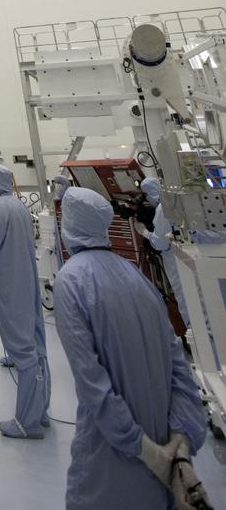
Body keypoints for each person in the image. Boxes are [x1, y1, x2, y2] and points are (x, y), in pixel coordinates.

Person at [54, 187, 208, 510]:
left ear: (67, 227)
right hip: (163, 476)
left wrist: (149, 453)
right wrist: (178, 454)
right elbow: (180, 372)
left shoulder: (71, 282)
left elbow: (94, 386)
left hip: (111, 468)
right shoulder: (136, 277)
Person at [0, 164, 50, 438]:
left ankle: (26, 422)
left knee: (22, 350)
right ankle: (40, 409)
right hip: (24, 281)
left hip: (11, 285)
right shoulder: (18, 206)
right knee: (34, 344)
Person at [135, 176, 191, 326]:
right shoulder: (176, 200)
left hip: (176, 261)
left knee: (187, 302)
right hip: (191, 259)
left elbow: (159, 244)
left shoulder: (162, 208)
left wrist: (144, 232)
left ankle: (198, 342)